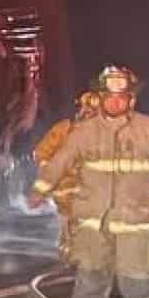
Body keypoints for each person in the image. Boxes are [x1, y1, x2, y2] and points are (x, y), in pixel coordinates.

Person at [27, 66, 149, 298]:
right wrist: (40, 189)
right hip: (93, 216)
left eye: (121, 97)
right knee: (91, 269)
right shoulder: (84, 132)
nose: (114, 102)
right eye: (109, 96)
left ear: (131, 99)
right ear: (100, 97)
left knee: (137, 271)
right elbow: (60, 161)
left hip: (134, 215)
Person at [31, 90, 101, 260]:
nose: (88, 113)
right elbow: (42, 153)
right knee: (70, 232)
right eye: (87, 108)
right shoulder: (64, 129)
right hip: (67, 196)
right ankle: (73, 260)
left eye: (94, 111)